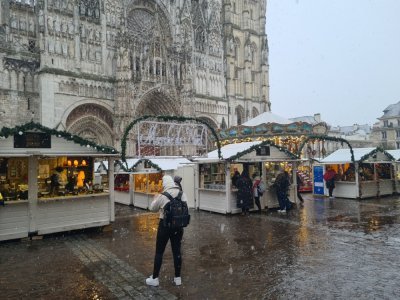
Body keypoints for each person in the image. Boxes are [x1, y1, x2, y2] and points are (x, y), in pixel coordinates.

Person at [146, 175, 188, 287]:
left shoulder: (162, 195)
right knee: (177, 252)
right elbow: (185, 208)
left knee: (159, 252)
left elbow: (152, 209)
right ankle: (177, 278)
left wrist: (155, 199)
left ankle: (155, 278)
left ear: (164, 184)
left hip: (165, 226)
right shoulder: (182, 193)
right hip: (178, 226)